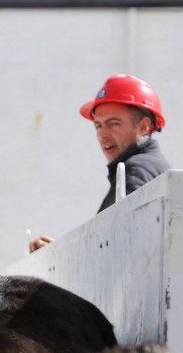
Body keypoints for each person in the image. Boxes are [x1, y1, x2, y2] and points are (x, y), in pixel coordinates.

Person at [28, 74, 170, 253]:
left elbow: (113, 251)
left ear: (143, 127)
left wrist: (60, 257)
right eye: (98, 125)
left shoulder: (137, 170)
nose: (102, 134)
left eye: (113, 123)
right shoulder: (149, 167)